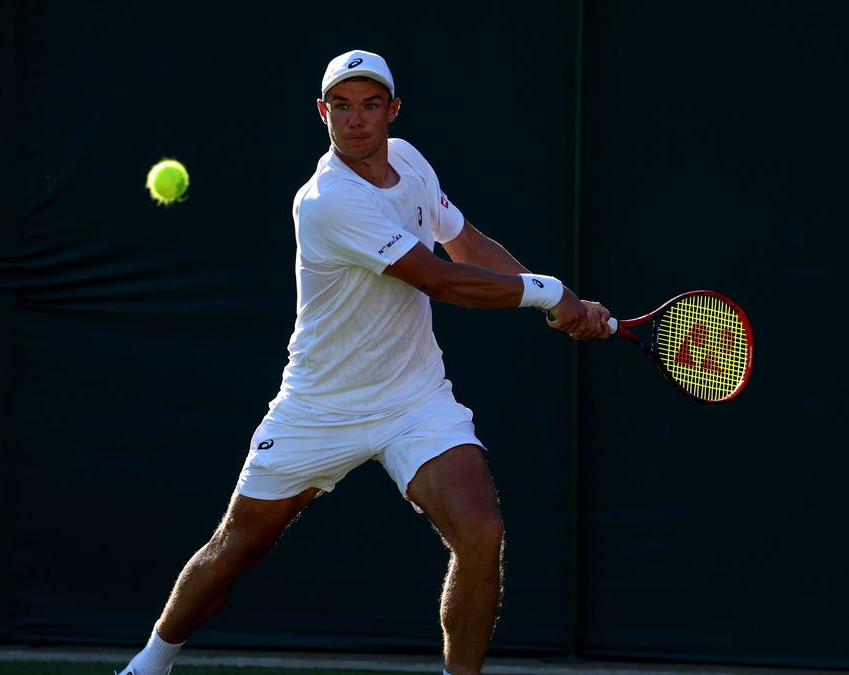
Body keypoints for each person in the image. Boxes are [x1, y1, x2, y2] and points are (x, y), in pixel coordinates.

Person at [118, 49, 611, 675]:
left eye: (370, 105)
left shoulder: (408, 162)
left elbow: (465, 243)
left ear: (392, 111)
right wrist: (550, 294)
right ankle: (147, 667)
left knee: (481, 534)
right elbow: (439, 279)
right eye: (342, 107)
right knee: (237, 547)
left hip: (415, 399)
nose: (356, 121)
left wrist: (553, 304)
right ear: (323, 113)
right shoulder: (326, 201)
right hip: (319, 407)